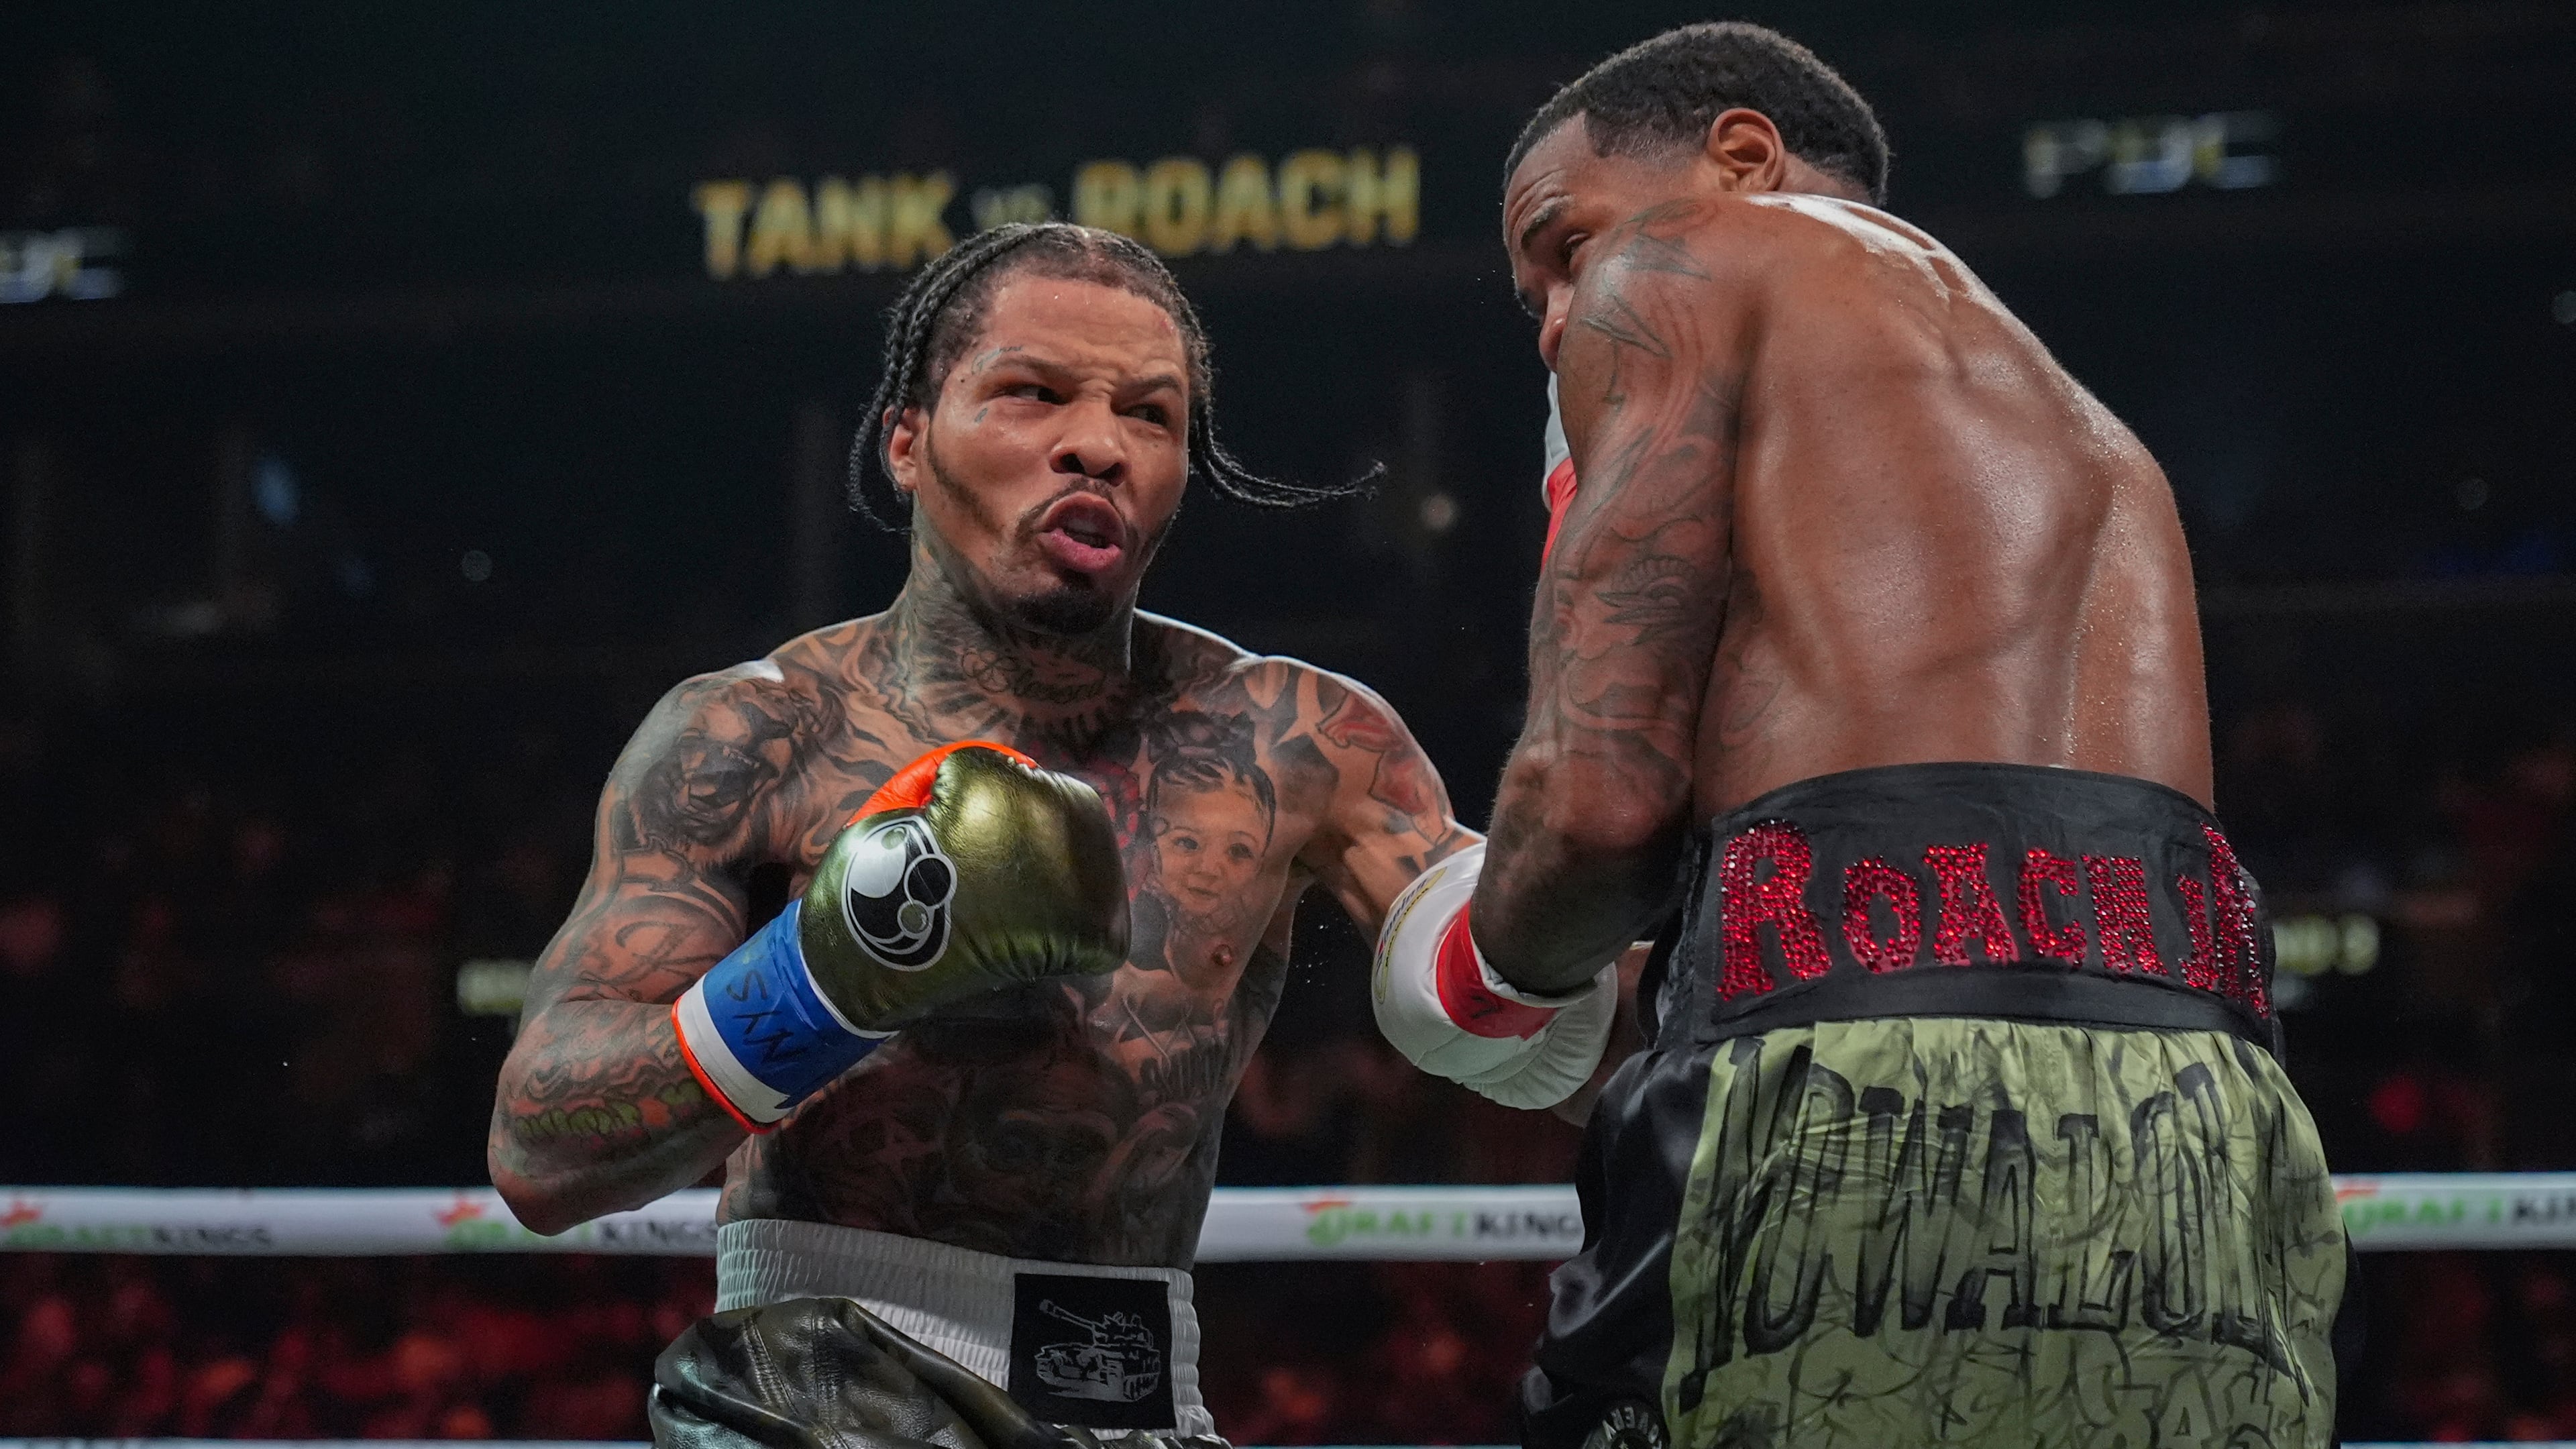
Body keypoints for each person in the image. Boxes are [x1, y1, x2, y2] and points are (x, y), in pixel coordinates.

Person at [1368, 23, 2347, 1449]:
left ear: (1743, 159)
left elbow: (1599, 805)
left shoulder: (1687, 268)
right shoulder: (2105, 451)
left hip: (1852, 1099)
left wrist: (1482, 975)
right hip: (2211, 1123)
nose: (1554, 317)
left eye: (1563, 246)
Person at [487, 222, 1500, 1445]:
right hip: (812, 1392)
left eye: (1152, 415)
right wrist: (821, 979)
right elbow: (541, 1147)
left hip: (1140, 1396)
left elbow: (1544, 987)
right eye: (1032, 393)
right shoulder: (754, 735)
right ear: (906, 440)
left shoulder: (1302, 741)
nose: (1097, 444)